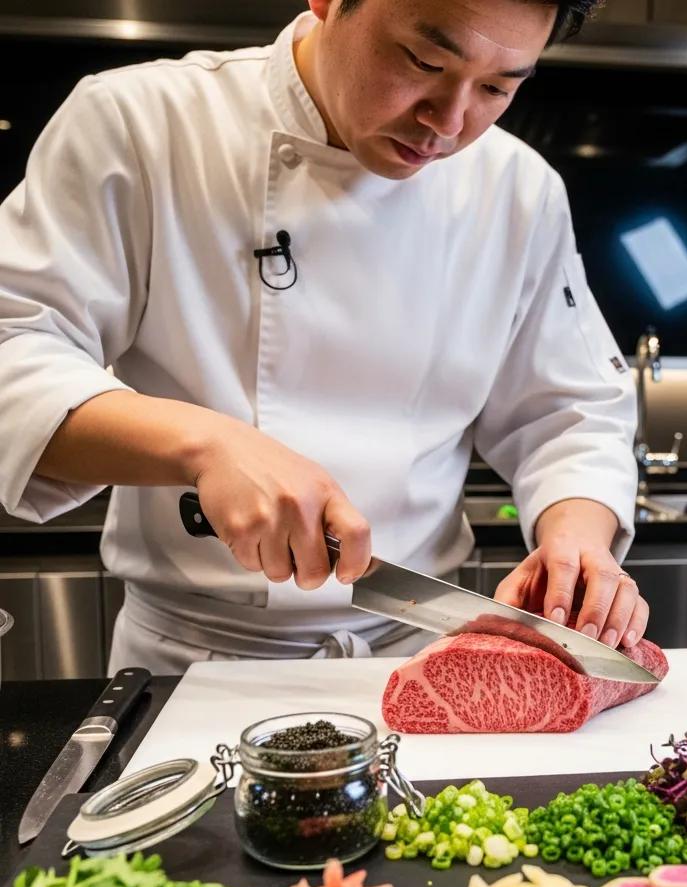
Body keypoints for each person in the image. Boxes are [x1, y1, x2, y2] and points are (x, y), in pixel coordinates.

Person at [0, 0, 649, 674]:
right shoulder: (142, 123)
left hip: (416, 657)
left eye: (496, 88)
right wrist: (204, 444)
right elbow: (13, 348)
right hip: (194, 664)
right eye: (424, 62)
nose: (449, 123)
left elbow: (569, 410)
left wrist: (578, 539)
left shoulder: (518, 188)